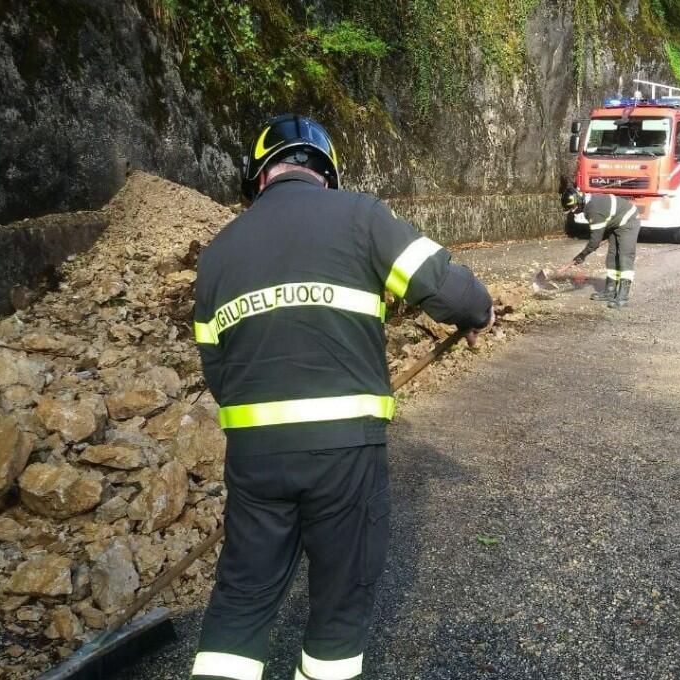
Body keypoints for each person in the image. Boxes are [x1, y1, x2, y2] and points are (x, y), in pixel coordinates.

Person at [190, 114, 494, 680]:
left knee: (242, 598)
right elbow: (444, 284)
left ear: (259, 177)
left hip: (255, 459)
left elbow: (217, 367)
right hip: (344, 454)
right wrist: (479, 309)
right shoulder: (362, 216)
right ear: (325, 174)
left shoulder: (217, 253)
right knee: (339, 599)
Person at [561, 188, 640, 309]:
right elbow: (597, 234)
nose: (573, 211)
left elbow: (594, 242)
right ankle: (610, 291)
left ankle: (623, 296)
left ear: (579, 201)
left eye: (573, 208)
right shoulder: (589, 206)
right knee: (611, 257)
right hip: (615, 223)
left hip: (629, 221)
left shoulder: (593, 210)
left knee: (624, 257)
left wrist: (581, 256)